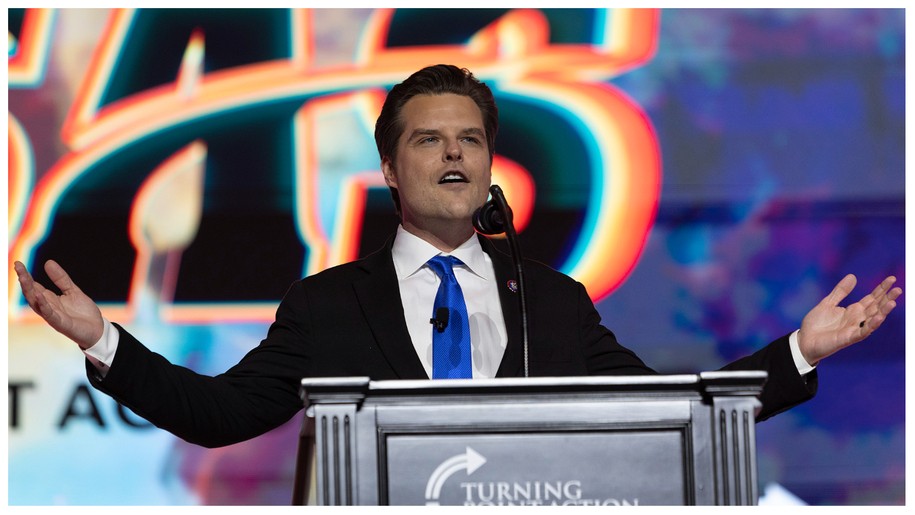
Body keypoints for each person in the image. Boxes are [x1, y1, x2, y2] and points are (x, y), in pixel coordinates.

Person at [14, 64, 901, 450]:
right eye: (430, 140)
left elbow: (661, 413)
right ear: (390, 167)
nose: (454, 156)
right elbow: (216, 415)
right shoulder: (327, 304)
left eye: (470, 140)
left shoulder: (550, 300)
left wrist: (797, 355)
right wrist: (103, 340)